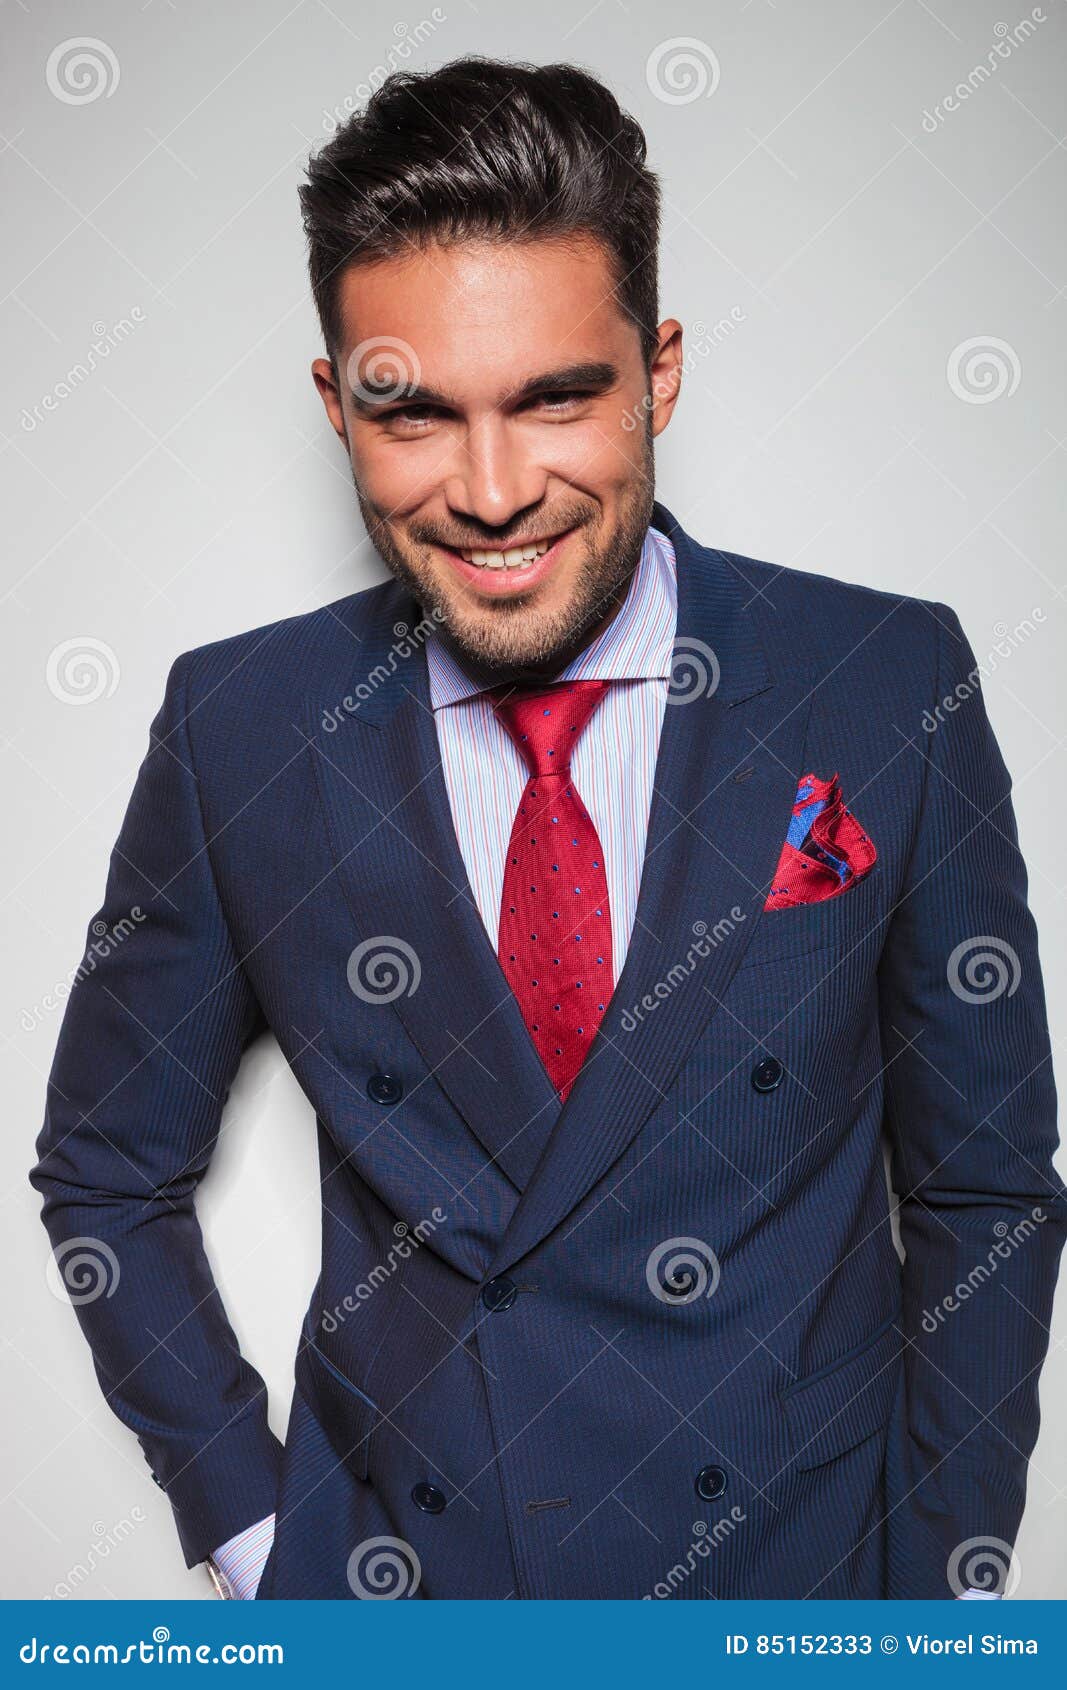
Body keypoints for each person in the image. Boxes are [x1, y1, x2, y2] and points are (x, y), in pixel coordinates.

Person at [32, 56, 1064, 1602]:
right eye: (415, 414)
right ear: (337, 404)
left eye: (556, 397)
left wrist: (936, 1597)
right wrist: (263, 1544)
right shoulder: (242, 724)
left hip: (790, 1596)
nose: (495, 490)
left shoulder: (882, 681)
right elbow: (105, 1163)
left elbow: (989, 1186)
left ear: (659, 373)